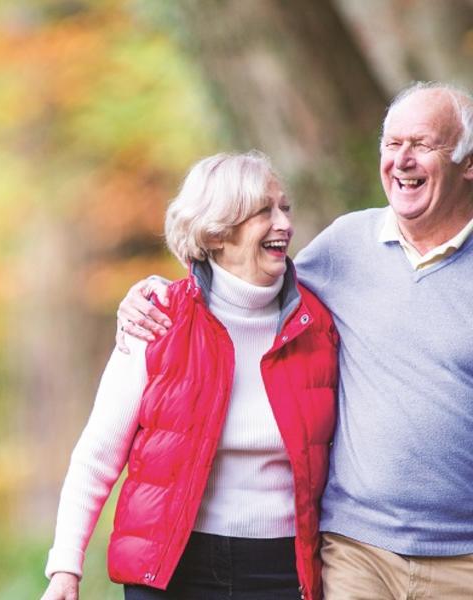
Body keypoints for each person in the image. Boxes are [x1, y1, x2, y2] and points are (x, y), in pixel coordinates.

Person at [117, 81, 473, 598]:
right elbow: (247, 285)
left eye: (422, 145)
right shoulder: (346, 246)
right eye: (392, 144)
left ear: (468, 163)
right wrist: (156, 296)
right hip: (357, 548)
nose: (402, 159)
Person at [41, 151, 338, 600]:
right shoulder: (157, 319)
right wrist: (65, 568)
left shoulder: (318, 325)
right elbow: (98, 456)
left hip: (282, 570)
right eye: (264, 211)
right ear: (216, 233)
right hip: (172, 568)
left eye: (285, 208)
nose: (283, 224)